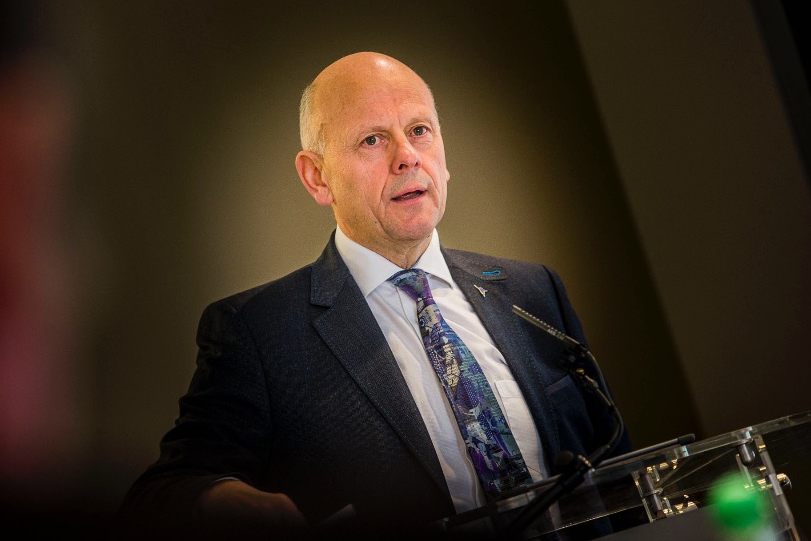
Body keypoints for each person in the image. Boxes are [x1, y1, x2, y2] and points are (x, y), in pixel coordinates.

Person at [119, 52, 631, 539]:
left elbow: (623, 478)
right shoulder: (258, 333)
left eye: (419, 131)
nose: (407, 157)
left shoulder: (532, 292)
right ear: (317, 176)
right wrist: (227, 504)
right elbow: (164, 494)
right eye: (372, 140)